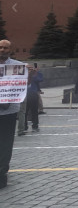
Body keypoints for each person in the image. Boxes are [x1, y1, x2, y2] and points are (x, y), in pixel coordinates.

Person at [0, 39, 24, 189]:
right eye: (0, 47)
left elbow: (24, 85)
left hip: (9, 111)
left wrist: (30, 74)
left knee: (6, 144)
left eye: (5, 48)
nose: (2, 50)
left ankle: (2, 174)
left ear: (10, 49)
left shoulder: (17, 66)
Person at [26, 64, 43, 131]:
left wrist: (35, 73)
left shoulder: (37, 73)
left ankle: (35, 124)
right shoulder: (23, 74)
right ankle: (24, 125)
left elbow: (39, 79)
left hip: (33, 93)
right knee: (25, 111)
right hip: (25, 93)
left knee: (34, 110)